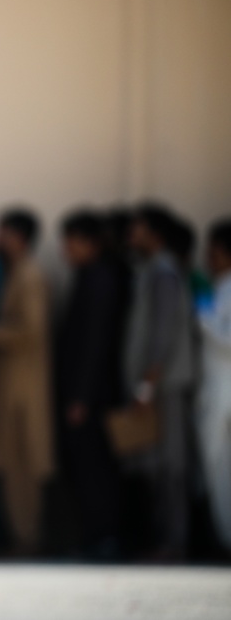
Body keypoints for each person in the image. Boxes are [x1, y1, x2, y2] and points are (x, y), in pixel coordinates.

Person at [0, 209, 54, 557]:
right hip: (12, 387)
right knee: (13, 465)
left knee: (23, 465)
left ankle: (29, 538)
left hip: (24, 389)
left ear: (18, 236)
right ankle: (22, 537)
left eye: (3, 232)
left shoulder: (29, 276)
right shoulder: (15, 273)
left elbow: (31, 330)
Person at [124, 204, 195, 561]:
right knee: (155, 466)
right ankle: (165, 541)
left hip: (164, 388)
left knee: (170, 468)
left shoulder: (164, 272)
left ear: (154, 233)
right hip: (155, 387)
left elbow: (163, 335)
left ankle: (174, 543)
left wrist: (147, 386)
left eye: (137, 228)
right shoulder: (151, 270)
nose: (131, 235)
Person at [57, 211, 126, 559]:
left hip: (93, 397)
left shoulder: (100, 279)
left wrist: (81, 396)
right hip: (86, 394)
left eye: (71, 242)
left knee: (95, 468)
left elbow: (95, 344)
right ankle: (94, 536)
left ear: (90, 242)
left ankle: (103, 538)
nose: (65, 250)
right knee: (85, 467)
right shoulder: (90, 276)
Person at [198, 218, 231, 552]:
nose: (208, 259)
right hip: (217, 387)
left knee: (220, 461)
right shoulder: (219, 288)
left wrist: (203, 315)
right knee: (216, 463)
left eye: (213, 252)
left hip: (225, 388)